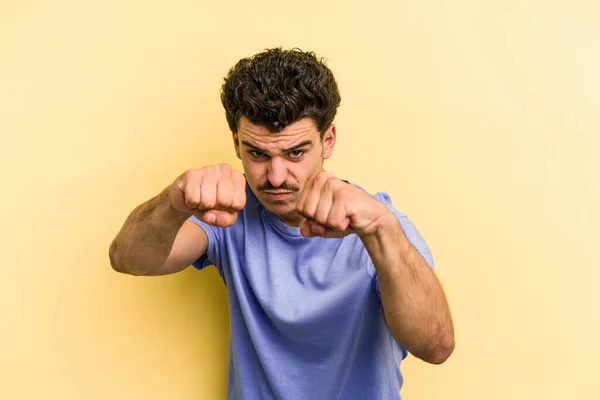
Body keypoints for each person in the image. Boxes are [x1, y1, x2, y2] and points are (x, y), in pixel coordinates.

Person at [109, 47, 455, 399]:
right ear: (237, 143)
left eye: (295, 153)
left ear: (328, 140)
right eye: (258, 154)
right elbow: (129, 260)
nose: (275, 178)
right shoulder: (229, 211)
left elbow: (436, 347)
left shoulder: (380, 224)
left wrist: (381, 231)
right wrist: (174, 200)